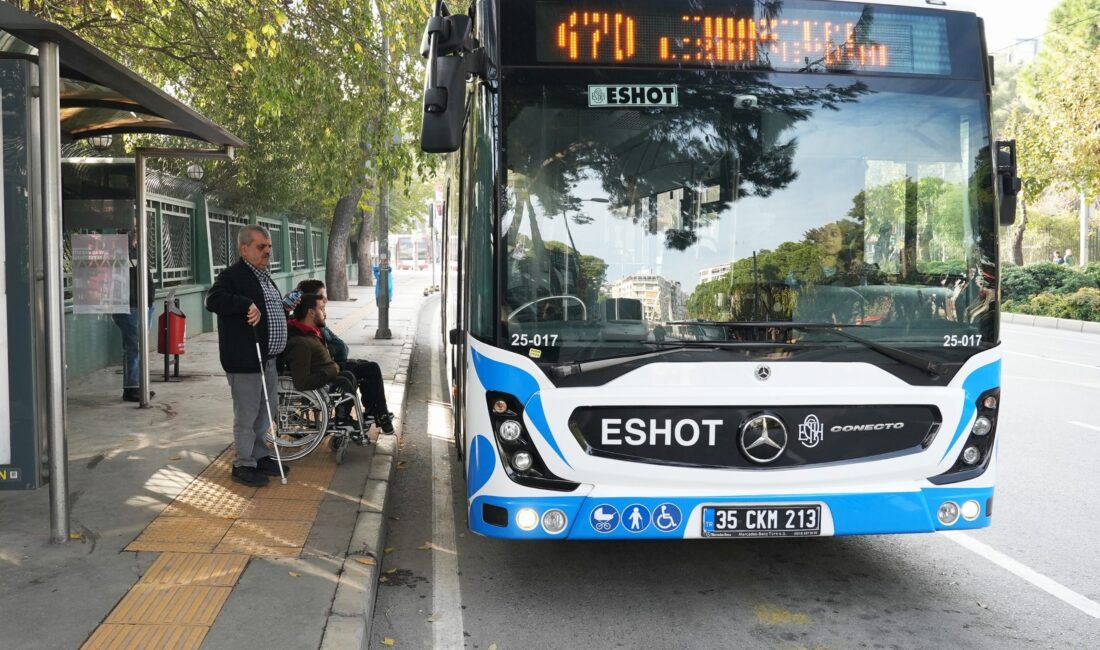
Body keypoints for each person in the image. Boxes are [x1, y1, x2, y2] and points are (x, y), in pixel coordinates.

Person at [205, 224, 289, 487]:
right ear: (244, 249)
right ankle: (243, 463)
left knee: (268, 408)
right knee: (247, 414)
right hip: (246, 359)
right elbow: (214, 300)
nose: (268, 251)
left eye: (269, 246)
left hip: (269, 358)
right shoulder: (233, 275)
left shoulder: (263, 275)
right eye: (261, 246)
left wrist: (284, 307)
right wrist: (244, 304)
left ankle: (259, 454)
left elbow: (266, 310)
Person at [285, 294, 395, 434]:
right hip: (327, 372)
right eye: (322, 309)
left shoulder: (313, 331)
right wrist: (333, 368)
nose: (325, 313)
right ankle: (349, 419)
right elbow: (303, 379)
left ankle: (377, 413)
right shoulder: (300, 340)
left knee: (370, 368)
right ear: (311, 312)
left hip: (331, 366)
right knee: (351, 376)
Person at [112, 232, 157, 402]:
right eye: (135, 228)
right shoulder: (121, 250)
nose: (139, 231)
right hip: (130, 304)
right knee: (135, 347)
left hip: (143, 304)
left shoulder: (137, 250)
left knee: (137, 347)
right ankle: (132, 388)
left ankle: (137, 385)